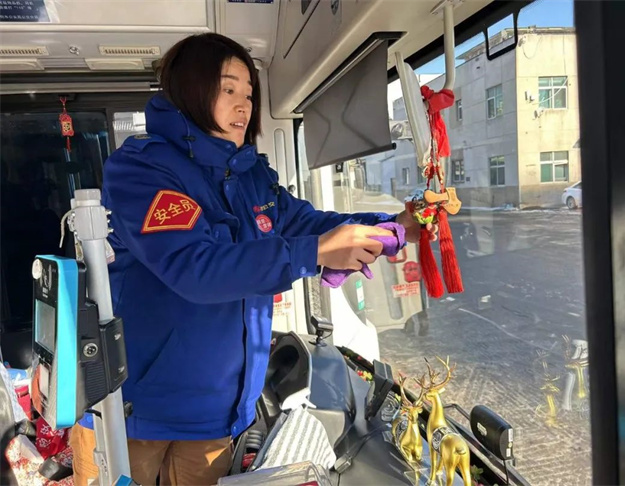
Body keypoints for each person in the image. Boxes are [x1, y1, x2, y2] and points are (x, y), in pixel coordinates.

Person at [69, 33, 438, 486]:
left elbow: (306, 223)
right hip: (135, 409)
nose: (244, 105)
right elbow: (197, 268)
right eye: (228, 89)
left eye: (248, 93)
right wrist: (317, 252)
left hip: (217, 411)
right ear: (190, 90)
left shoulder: (251, 175)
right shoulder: (143, 169)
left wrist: (393, 225)